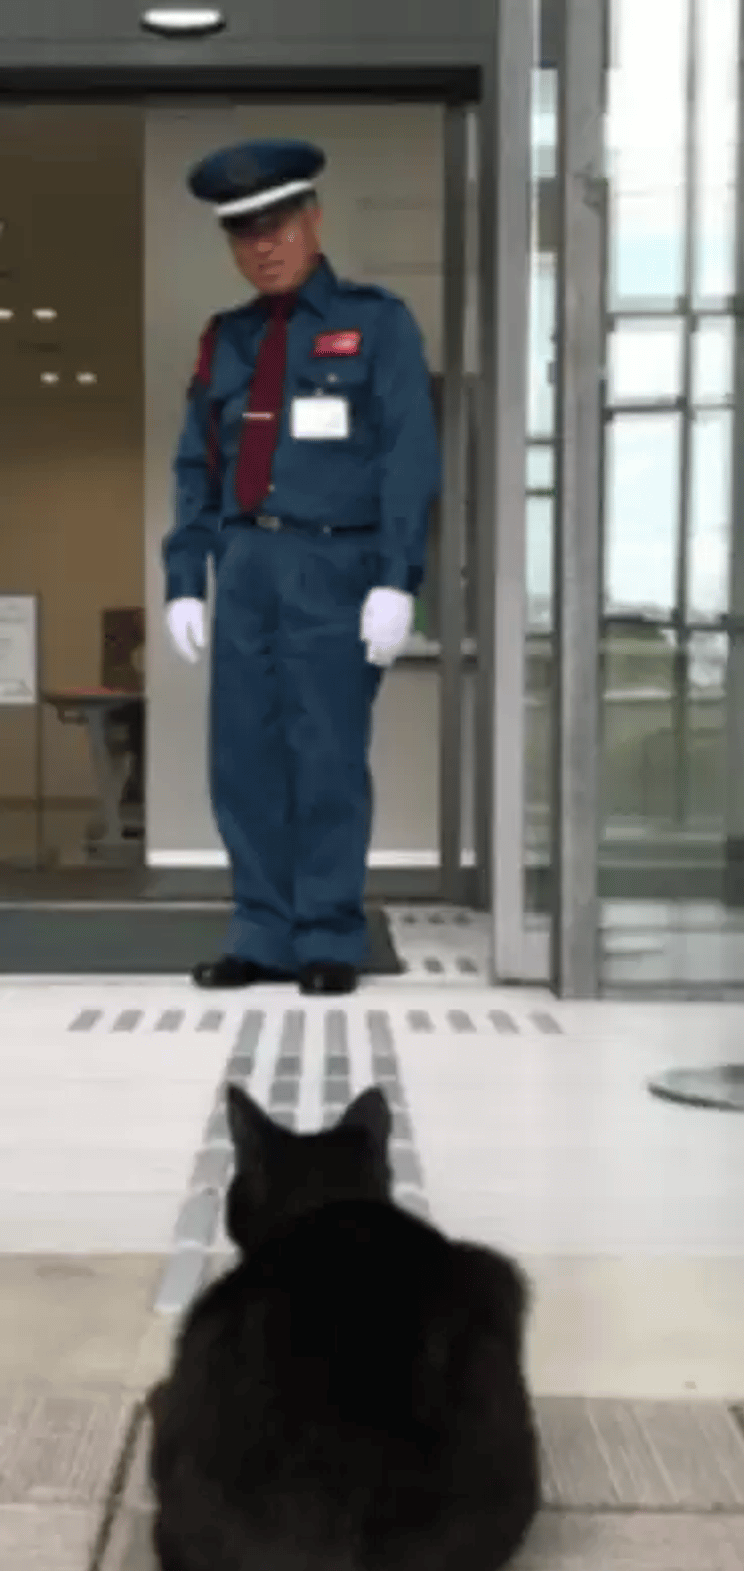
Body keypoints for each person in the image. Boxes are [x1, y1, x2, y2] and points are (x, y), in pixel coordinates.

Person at [160, 140, 438, 997]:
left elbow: (408, 458)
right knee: (242, 760)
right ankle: (260, 933)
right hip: (246, 563)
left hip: (336, 562)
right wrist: (185, 577)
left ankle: (326, 935)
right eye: (242, 234)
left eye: (276, 225)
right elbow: (197, 465)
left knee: (324, 756)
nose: (262, 247)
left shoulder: (378, 322)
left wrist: (397, 577)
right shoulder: (226, 340)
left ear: (313, 219)